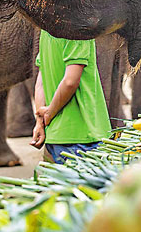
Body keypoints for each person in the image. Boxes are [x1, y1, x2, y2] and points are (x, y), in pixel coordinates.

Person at [32, 30, 111, 164]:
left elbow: (41, 81)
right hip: (84, 135)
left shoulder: (46, 31)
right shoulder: (78, 32)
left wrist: (41, 122)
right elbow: (70, 81)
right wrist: (49, 114)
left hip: (55, 135)